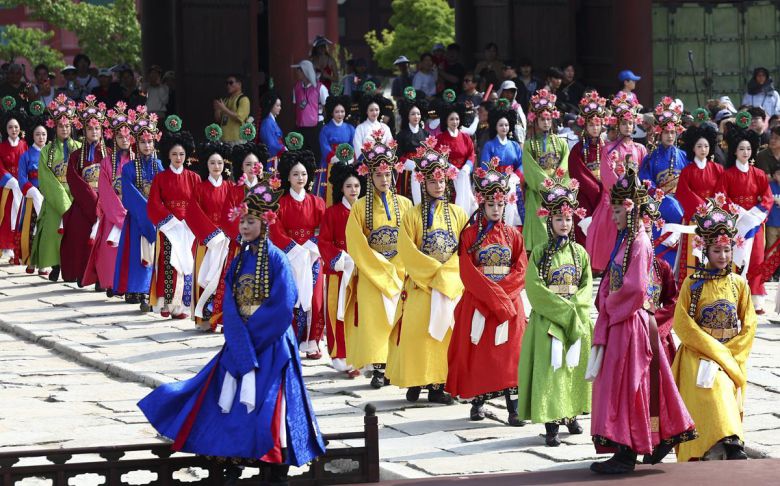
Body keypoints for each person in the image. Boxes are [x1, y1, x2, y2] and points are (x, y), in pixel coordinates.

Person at [137, 176, 326, 484]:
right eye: (243, 222)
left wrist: (253, 339)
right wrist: (239, 338)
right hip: (241, 341)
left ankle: (274, 463)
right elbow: (229, 299)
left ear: (265, 223)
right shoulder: (239, 261)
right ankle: (233, 458)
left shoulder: (277, 259)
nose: (245, 227)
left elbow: (283, 305)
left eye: (251, 222)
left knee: (270, 404)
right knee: (227, 400)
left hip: (272, 344)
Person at [589, 162, 697, 474]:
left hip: (630, 322)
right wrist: (605, 301)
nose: (613, 216)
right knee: (623, 385)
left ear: (629, 209)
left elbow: (635, 288)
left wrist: (609, 306)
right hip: (623, 320)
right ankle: (632, 443)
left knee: (628, 385)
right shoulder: (626, 240)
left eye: (617, 211)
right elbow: (613, 280)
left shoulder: (639, 241)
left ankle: (627, 451)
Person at [671, 195, 756, 461]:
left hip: (730, 352)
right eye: (717, 251)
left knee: (721, 381)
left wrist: (727, 352)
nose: (723, 256)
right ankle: (728, 441)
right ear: (705, 250)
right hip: (698, 352)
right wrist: (712, 350)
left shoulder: (739, 284)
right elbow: (682, 323)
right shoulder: (692, 283)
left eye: (727, 250)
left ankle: (730, 438)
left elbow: (749, 324)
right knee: (713, 385)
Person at [446, 160, 527, 424]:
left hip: (508, 304)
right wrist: (493, 297)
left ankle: (514, 407)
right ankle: (478, 402)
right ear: (482, 203)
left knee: (511, 354)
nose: (495, 209)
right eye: (491, 204)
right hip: (479, 302)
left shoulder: (514, 235)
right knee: (480, 352)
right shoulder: (470, 236)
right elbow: (467, 272)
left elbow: (521, 269)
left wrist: (501, 297)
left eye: (500, 204)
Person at [387, 137, 466, 404]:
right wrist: (433, 274)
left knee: (443, 336)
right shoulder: (412, 215)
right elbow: (406, 248)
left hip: (448, 286)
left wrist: (446, 276)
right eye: (432, 181)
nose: (438, 186)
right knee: (416, 333)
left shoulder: (458, 213)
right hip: (421, 285)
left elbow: (464, 250)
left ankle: (437, 386)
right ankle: (414, 381)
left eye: (441, 181)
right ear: (423, 182)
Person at [517, 169, 592, 446]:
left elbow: (586, 287)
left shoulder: (580, 253)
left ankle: (571, 414)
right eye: (559, 218)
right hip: (548, 322)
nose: (564, 224)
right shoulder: (539, 252)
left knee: (572, 370)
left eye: (568, 219)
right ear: (549, 220)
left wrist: (575, 312)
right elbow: (534, 288)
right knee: (551, 371)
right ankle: (551, 423)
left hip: (575, 319)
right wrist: (563, 312)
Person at [344, 137, 411, 388]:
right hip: (372, 271)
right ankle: (379, 369)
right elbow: (356, 242)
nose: (384, 179)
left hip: (400, 268)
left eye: (388, 174)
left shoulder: (405, 204)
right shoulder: (359, 207)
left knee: (399, 319)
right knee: (375, 320)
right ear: (369, 176)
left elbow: (411, 238)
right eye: (378, 174)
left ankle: (396, 365)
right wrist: (378, 266)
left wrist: (400, 264)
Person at [269, 133, 326, 359]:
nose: (300, 178)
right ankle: (290, 340)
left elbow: (324, 229)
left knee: (315, 299)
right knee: (290, 298)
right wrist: (294, 250)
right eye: (295, 174)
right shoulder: (280, 203)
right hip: (289, 257)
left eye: (303, 173)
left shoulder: (317, 202)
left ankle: (312, 341)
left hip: (311, 256)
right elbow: (275, 230)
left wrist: (311, 248)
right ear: (287, 177)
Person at [717, 112, 773, 313]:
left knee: (756, 258)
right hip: (736, 223)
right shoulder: (727, 175)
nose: (746, 152)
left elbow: (767, 197)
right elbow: (721, 197)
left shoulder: (758, 174)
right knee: (733, 258)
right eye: (741, 149)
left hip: (755, 223)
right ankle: (733, 295)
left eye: (749, 149)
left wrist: (755, 215)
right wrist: (740, 212)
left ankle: (756, 299)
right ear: (734, 151)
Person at [147, 110, 200, 319]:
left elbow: (198, 203)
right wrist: (170, 221)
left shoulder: (194, 178)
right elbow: (154, 203)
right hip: (169, 227)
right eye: (175, 154)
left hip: (188, 228)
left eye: (182, 154)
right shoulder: (161, 178)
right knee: (168, 264)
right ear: (168, 155)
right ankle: (166, 303)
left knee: (186, 264)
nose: (178, 158)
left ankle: (182, 306)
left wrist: (189, 221)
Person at [587, 92, 647, 272]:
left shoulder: (640, 149)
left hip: (635, 200)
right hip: (613, 200)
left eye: (630, 123)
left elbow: (644, 175)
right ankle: (609, 266)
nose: (628, 126)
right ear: (617, 124)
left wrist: (636, 195)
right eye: (624, 123)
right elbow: (606, 176)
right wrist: (623, 195)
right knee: (609, 233)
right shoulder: (608, 149)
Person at [82, 102, 135, 295]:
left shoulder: (137, 161)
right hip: (113, 214)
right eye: (120, 137)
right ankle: (111, 282)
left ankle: (129, 284)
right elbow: (105, 191)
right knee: (109, 249)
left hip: (134, 212)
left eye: (127, 136)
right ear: (114, 138)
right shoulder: (106, 162)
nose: (124, 140)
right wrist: (119, 215)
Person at [187, 128, 238, 330]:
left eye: (219, 163)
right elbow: (193, 213)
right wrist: (211, 234)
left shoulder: (231, 187)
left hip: (227, 240)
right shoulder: (199, 188)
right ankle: (205, 319)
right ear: (206, 165)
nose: (216, 166)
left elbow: (236, 212)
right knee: (205, 275)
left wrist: (229, 232)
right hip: (206, 241)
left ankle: (225, 319)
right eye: (212, 163)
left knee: (227, 279)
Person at [112, 103, 161, 310]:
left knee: (153, 254)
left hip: (155, 217)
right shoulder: (129, 168)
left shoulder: (159, 166)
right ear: (135, 143)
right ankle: (133, 288)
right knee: (134, 254)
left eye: (150, 142)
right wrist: (146, 213)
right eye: (142, 142)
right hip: (137, 217)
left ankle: (149, 289)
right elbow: (129, 194)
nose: (147, 146)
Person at [318, 158, 364, 378]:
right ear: (341, 189)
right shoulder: (332, 212)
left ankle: (363, 355)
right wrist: (341, 258)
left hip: (364, 269)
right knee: (339, 314)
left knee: (361, 314)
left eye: (356, 185)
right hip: (340, 270)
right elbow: (324, 242)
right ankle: (343, 357)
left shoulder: (366, 211)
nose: (353, 190)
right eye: (348, 186)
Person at [31, 94, 81, 282]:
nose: (64, 129)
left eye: (67, 126)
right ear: (55, 127)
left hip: (76, 197)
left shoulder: (79, 147)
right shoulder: (47, 150)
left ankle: (72, 267)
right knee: (53, 232)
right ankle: (55, 265)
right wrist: (62, 202)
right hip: (55, 199)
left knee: (75, 234)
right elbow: (46, 179)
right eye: (61, 126)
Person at [61, 95, 109, 286]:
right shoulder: (76, 156)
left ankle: (102, 278)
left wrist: (102, 203)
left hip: (106, 203)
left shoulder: (109, 155)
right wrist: (92, 202)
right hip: (84, 203)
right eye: (90, 128)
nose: (94, 132)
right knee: (78, 230)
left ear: (102, 130)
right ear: (84, 130)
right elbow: (74, 180)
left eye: (97, 128)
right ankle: (82, 274)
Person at [639, 97, 688, 267]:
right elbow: (645, 180)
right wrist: (661, 198)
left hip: (681, 204)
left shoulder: (684, 156)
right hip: (659, 207)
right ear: (660, 133)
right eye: (666, 132)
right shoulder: (651, 157)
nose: (670, 136)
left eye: (673, 132)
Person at [523, 88, 570, 252]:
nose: (545, 122)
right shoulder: (529, 145)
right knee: (539, 227)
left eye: (548, 119)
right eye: (542, 119)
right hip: (537, 194)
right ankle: (538, 255)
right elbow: (531, 169)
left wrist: (557, 186)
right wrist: (547, 186)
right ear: (535, 120)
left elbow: (565, 165)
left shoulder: (561, 143)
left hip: (558, 193)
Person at [676, 122, 724, 286]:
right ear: (693, 148)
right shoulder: (687, 171)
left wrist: (712, 205)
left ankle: (712, 285)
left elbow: (723, 191)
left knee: (713, 250)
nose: (703, 149)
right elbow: (683, 192)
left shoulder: (718, 169)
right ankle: (690, 287)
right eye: (699, 146)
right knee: (693, 254)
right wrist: (702, 208)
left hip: (714, 219)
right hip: (694, 219)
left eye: (706, 146)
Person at [568, 91, 607, 246]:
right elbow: (578, 173)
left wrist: (604, 190)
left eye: (597, 124)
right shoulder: (577, 149)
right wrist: (596, 189)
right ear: (585, 125)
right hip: (584, 197)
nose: (595, 128)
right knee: (583, 233)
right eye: (591, 125)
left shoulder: (607, 148)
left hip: (604, 197)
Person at [480, 100, 524, 227]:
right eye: (501, 125)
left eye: (506, 125)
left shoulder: (515, 145)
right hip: (495, 186)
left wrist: (515, 176)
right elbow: (485, 167)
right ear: (495, 126)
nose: (504, 128)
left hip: (513, 183)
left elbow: (521, 164)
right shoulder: (489, 145)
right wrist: (497, 180)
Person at [15, 110, 47, 274]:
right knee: (31, 229)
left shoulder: (51, 154)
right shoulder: (26, 155)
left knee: (46, 229)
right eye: (37, 134)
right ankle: (31, 261)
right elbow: (21, 178)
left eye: (44, 134)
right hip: (32, 196)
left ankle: (44, 262)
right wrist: (33, 191)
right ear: (32, 136)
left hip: (49, 195)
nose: (41, 137)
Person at [435, 92, 476, 215]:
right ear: (446, 121)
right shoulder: (440, 138)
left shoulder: (465, 137)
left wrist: (467, 167)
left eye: (457, 119)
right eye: (451, 119)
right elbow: (437, 156)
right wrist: (450, 167)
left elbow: (471, 153)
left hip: (464, 174)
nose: (455, 122)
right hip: (447, 177)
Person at [317, 87, 355, 203]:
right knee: (329, 189)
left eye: (342, 111)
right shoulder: (325, 129)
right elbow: (324, 147)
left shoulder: (350, 128)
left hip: (347, 162)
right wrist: (335, 158)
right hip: (329, 163)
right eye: (337, 112)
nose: (340, 114)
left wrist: (349, 158)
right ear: (332, 112)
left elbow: (353, 145)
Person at [0, 101, 28, 261]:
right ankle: (6, 246)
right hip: (7, 187)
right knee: (7, 216)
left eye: (16, 127)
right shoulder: (1, 147)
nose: (14, 130)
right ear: (6, 130)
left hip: (22, 186)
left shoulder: (24, 145)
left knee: (21, 215)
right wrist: (10, 180)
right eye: (10, 127)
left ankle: (18, 248)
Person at [395, 88, 429, 200]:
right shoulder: (401, 135)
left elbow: (430, 153)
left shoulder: (426, 134)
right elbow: (397, 155)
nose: (416, 116)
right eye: (413, 114)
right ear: (407, 116)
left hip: (423, 169)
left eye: (418, 114)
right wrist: (411, 164)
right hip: (407, 171)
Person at [291, 60, 328, 160]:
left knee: (317, 154)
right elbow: (296, 106)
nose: (297, 73)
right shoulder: (296, 87)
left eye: (299, 70)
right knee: (301, 155)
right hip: (300, 127)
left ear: (305, 71)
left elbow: (326, 107)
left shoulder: (320, 88)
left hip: (316, 127)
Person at [214, 74, 251, 146]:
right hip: (223, 139)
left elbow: (239, 117)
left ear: (239, 84)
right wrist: (217, 110)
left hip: (237, 140)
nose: (228, 85)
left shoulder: (244, 99)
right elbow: (218, 119)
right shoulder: (226, 100)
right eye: (227, 83)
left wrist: (224, 109)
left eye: (231, 83)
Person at [496, 80, 527, 146]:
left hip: (512, 136)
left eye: (512, 92)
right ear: (502, 91)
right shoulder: (496, 104)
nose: (509, 94)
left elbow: (523, 124)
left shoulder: (516, 107)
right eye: (507, 92)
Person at [258, 90, 284, 169]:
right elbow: (271, 144)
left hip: (275, 157)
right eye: (277, 105)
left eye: (280, 105)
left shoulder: (270, 121)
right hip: (271, 158)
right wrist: (283, 149)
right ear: (271, 105)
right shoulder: (267, 122)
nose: (280, 108)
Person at [767, 166, 780, 252]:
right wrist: (774, 199)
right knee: (771, 248)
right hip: (772, 223)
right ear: (774, 176)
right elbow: (761, 198)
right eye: (779, 174)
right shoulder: (770, 186)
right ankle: (770, 262)